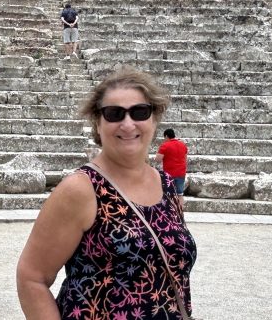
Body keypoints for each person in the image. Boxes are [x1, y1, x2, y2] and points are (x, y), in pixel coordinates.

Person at [17, 68, 196, 319]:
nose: (128, 123)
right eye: (114, 114)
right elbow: (31, 277)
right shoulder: (81, 189)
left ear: (154, 119)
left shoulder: (166, 184)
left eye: (139, 112)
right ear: (97, 123)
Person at [156, 128, 188, 206]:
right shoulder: (183, 145)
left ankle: (169, 211)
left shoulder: (165, 145)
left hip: (169, 174)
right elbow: (185, 158)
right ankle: (180, 211)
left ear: (166, 136)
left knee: (168, 194)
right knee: (180, 194)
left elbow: (158, 159)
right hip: (181, 173)